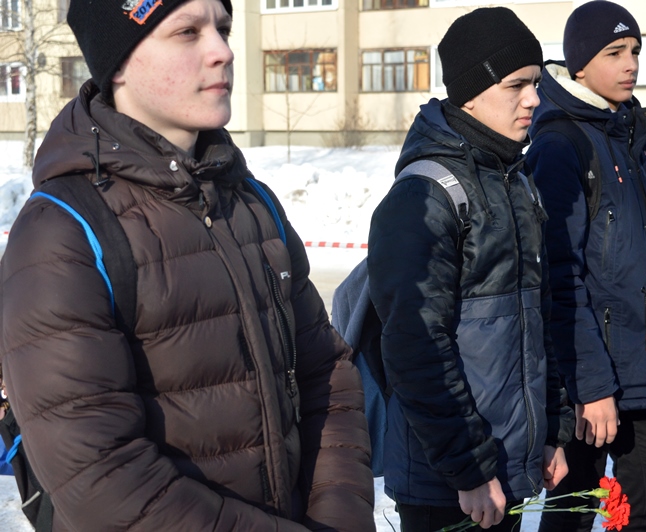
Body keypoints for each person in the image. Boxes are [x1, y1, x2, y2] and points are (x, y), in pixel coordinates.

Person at [0, 0, 375, 529]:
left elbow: (326, 380)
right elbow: (103, 479)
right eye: (187, 32)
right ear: (119, 62)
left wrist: (340, 517)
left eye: (223, 28)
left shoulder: (251, 204)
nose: (222, 51)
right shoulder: (63, 230)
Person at [367, 7, 573, 531]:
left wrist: (553, 430)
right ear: (470, 92)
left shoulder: (515, 180)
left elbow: (538, 323)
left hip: (509, 465)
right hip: (450, 483)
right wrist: (469, 469)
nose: (534, 98)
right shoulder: (425, 195)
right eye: (516, 85)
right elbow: (414, 347)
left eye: (536, 83)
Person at [526, 2, 646, 531]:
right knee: (574, 507)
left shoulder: (632, 135)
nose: (631, 64)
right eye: (614, 52)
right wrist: (590, 386)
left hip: (640, 363)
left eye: (635, 51)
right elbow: (559, 276)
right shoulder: (560, 144)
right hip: (587, 371)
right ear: (579, 65)